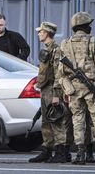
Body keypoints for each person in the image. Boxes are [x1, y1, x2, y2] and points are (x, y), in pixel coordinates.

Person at [57, 11, 95, 165]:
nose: (91, 27)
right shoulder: (93, 41)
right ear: (85, 26)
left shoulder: (65, 43)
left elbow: (61, 71)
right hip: (90, 86)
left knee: (77, 120)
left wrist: (65, 89)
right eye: (89, 25)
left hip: (73, 88)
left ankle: (80, 154)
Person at [29, 22, 67, 163]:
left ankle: (61, 153)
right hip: (45, 89)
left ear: (47, 33)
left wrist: (57, 94)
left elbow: (59, 73)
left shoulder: (56, 50)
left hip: (52, 90)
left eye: (41, 31)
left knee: (56, 120)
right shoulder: (47, 49)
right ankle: (47, 150)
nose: (39, 34)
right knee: (46, 121)